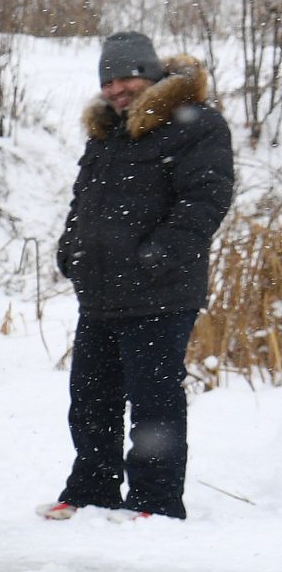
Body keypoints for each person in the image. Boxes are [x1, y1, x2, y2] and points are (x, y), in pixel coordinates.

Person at [43, 33, 232, 522]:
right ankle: (91, 492)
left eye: (127, 77)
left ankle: (155, 502)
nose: (117, 88)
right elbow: (83, 199)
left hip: (161, 292)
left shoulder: (196, 124)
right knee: (90, 400)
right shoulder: (107, 130)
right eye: (108, 80)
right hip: (102, 291)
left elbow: (206, 199)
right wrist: (72, 250)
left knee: (154, 404)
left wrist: (160, 254)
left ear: (149, 75)